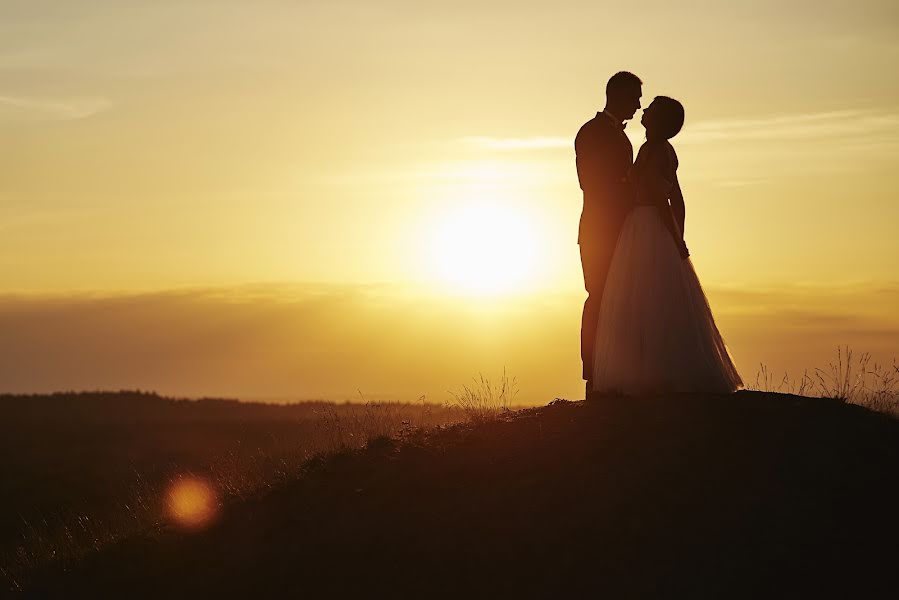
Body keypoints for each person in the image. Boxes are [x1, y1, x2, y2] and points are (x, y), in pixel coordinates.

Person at [591, 96, 743, 395]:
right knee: (651, 296)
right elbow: (678, 199)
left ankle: (649, 374)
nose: (643, 110)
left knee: (644, 296)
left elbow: (664, 200)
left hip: (646, 224)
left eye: (650, 109)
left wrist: (676, 238)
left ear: (659, 120)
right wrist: (678, 234)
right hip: (644, 225)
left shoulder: (654, 150)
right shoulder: (659, 149)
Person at [575, 71, 643, 398]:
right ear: (617, 95)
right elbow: (591, 182)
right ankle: (594, 377)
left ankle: (616, 374)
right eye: (635, 98)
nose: (639, 105)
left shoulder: (618, 135)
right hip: (599, 231)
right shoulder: (591, 133)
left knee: (619, 301)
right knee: (599, 297)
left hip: (622, 231)